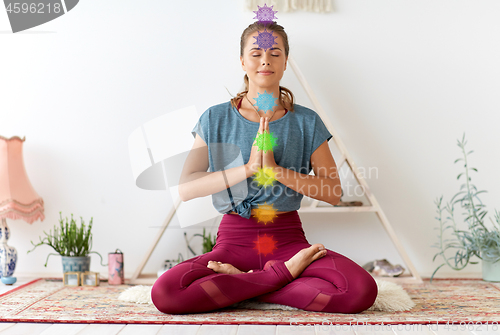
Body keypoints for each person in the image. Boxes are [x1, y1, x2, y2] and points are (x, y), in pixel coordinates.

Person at [151, 21, 378, 315]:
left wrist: (275, 170)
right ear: (243, 61)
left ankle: (246, 285)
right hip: (233, 242)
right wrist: (248, 168)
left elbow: (333, 193)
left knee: (360, 290)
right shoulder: (215, 118)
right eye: (256, 52)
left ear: (285, 62)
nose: (265, 60)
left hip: (288, 241)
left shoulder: (307, 122)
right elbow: (187, 187)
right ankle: (278, 278)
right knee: (166, 294)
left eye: (275, 52)